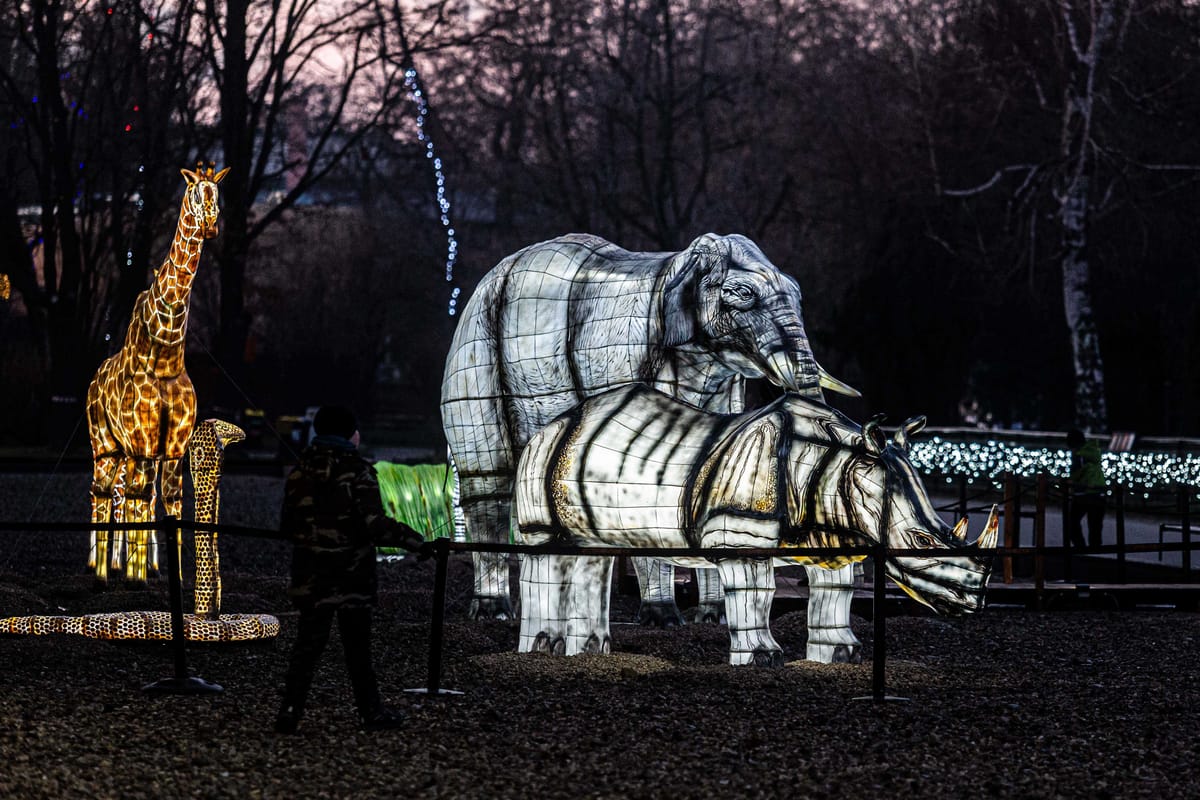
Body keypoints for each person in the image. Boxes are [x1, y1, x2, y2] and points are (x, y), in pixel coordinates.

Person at [275, 405, 432, 734]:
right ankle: (371, 712)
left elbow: (288, 525)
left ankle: (289, 712)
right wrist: (416, 542)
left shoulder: (299, 471)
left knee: (306, 648)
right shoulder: (358, 472)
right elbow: (375, 525)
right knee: (358, 652)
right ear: (350, 434)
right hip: (352, 578)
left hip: (310, 576)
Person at [1066, 428, 1107, 550]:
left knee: (1071, 523)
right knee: (1095, 527)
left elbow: (1075, 474)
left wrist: (1066, 482)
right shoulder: (1094, 453)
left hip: (1083, 494)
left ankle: (1081, 549)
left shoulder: (1079, 456)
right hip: (1099, 493)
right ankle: (1096, 557)